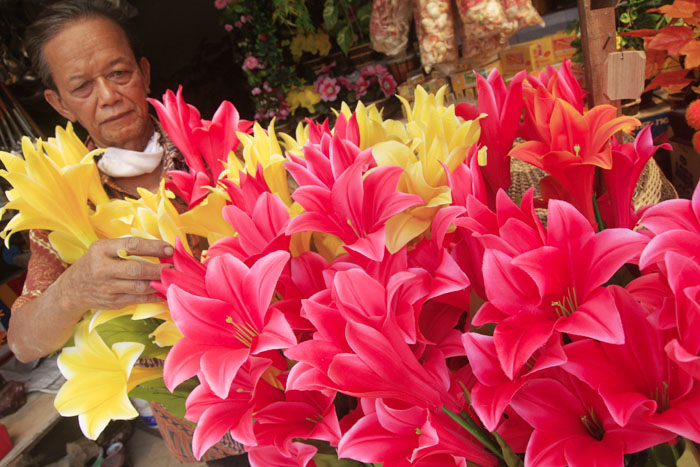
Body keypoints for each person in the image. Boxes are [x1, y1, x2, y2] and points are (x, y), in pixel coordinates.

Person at [9, 1, 245, 463]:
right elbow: (22, 340)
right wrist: (73, 290)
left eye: (119, 74)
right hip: (203, 429)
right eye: (81, 87)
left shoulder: (221, 144)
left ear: (145, 73)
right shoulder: (63, 199)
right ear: (59, 104)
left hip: (291, 385)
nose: (109, 96)